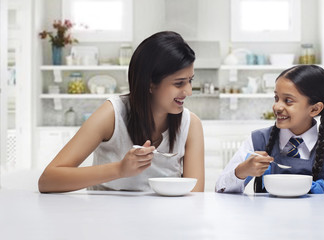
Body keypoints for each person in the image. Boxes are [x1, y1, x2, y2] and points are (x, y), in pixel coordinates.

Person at [38, 31, 204, 193]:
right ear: (150, 84)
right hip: (106, 216)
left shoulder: (190, 125)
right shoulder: (112, 114)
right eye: (179, 83)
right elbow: (48, 180)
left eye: (190, 81)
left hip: (163, 219)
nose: (188, 91)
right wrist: (119, 169)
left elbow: (195, 197)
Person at [216, 65, 324, 194]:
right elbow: (220, 189)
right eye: (276, 98)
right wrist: (242, 171)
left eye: (288, 100)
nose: (277, 107)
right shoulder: (258, 141)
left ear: (314, 109)